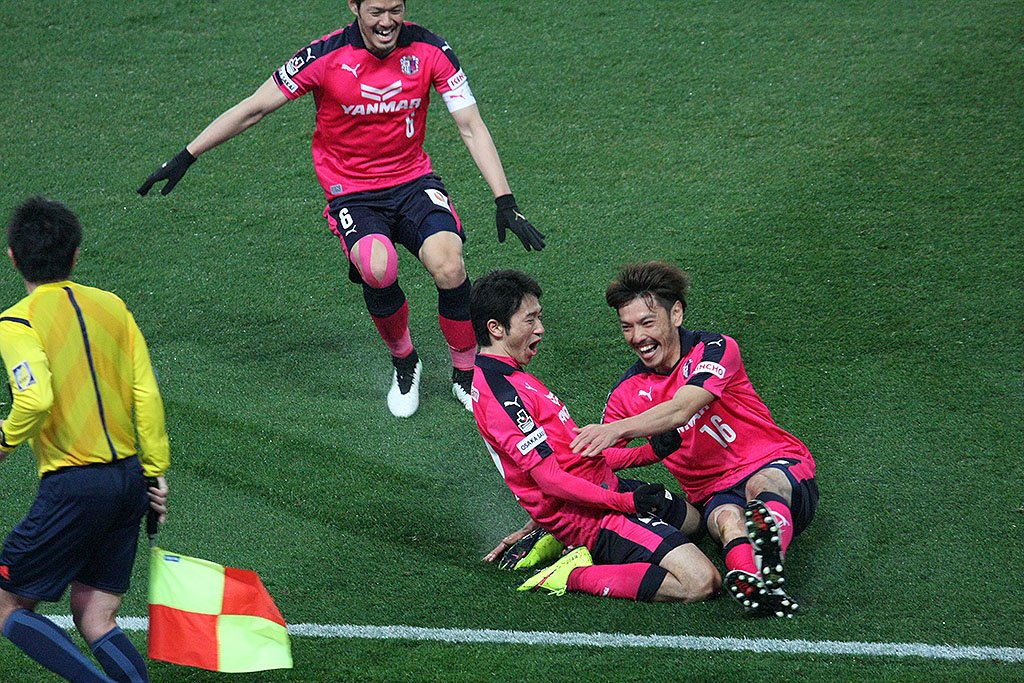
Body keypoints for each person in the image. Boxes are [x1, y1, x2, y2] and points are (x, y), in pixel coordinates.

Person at [138, 0, 544, 418]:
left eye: (395, 9)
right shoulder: (323, 57)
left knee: (450, 266)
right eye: (376, 11)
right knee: (377, 268)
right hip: (353, 193)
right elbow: (255, 108)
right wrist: (188, 154)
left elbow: (471, 125)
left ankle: (466, 372)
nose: (387, 21)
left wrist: (505, 200)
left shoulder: (431, 50)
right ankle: (406, 361)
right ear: (354, 6)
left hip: (413, 183)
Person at [570, 261, 818, 617]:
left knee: (761, 486)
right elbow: (601, 462)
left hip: (779, 467)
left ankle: (767, 550)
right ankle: (755, 583)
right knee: (728, 520)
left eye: (647, 323)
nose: (637, 337)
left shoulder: (715, 348)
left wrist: (618, 430)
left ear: (676, 314)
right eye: (627, 327)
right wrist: (648, 453)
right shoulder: (626, 392)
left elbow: (682, 408)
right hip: (714, 494)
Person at [470, 269, 720, 602]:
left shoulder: (514, 377)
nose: (540, 329)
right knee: (702, 582)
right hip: (590, 517)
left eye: (539, 317)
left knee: (695, 523)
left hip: (600, 488)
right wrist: (625, 504)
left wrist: (650, 453)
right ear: (496, 328)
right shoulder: (502, 396)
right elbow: (551, 482)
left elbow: (573, 454)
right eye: (530, 320)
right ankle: (572, 574)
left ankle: (555, 538)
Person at [0, 197, 170, 682]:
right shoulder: (112, 307)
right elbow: (145, 392)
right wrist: (154, 472)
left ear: (12, 257)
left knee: (6, 604)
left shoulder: (17, 322)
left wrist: (4, 442)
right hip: (129, 480)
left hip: (74, 487)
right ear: (75, 256)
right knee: (95, 614)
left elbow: (34, 399)